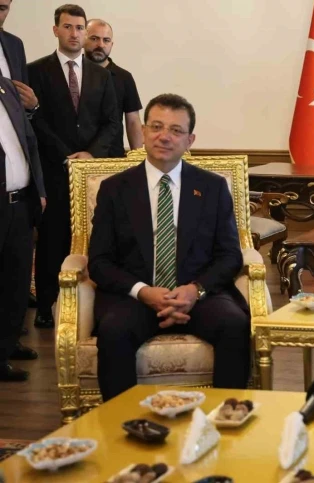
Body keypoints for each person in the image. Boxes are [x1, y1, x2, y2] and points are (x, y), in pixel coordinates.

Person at [89, 93, 251, 401]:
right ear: (143, 132)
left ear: (190, 140)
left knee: (234, 325)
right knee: (114, 331)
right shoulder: (114, 189)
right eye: (156, 127)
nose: (164, 136)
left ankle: (226, 418)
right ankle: (122, 423)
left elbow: (229, 255)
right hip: (136, 296)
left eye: (176, 130)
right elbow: (99, 261)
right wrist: (143, 292)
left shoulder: (212, 187)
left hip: (197, 295)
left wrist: (194, 290)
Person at [28, 4, 119, 329]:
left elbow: (112, 122)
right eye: (67, 27)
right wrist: (66, 155)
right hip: (54, 170)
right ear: (56, 30)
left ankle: (90, 304)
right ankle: (46, 304)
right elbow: (34, 120)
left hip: (92, 173)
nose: (74, 33)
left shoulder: (102, 75)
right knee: (52, 238)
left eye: (79, 27)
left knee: (94, 238)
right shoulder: (35, 71)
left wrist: (90, 155)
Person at [0, 76, 46, 381]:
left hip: (20, 203)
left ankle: (4, 351)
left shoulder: (6, 88)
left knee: (15, 284)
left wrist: (38, 189)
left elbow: (29, 142)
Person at [84, 18, 143, 157]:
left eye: (106, 40)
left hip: (113, 157)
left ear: (112, 44)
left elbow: (133, 121)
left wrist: (138, 159)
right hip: (78, 157)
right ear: (83, 39)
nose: (100, 45)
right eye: (94, 38)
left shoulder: (124, 77)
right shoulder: (72, 74)